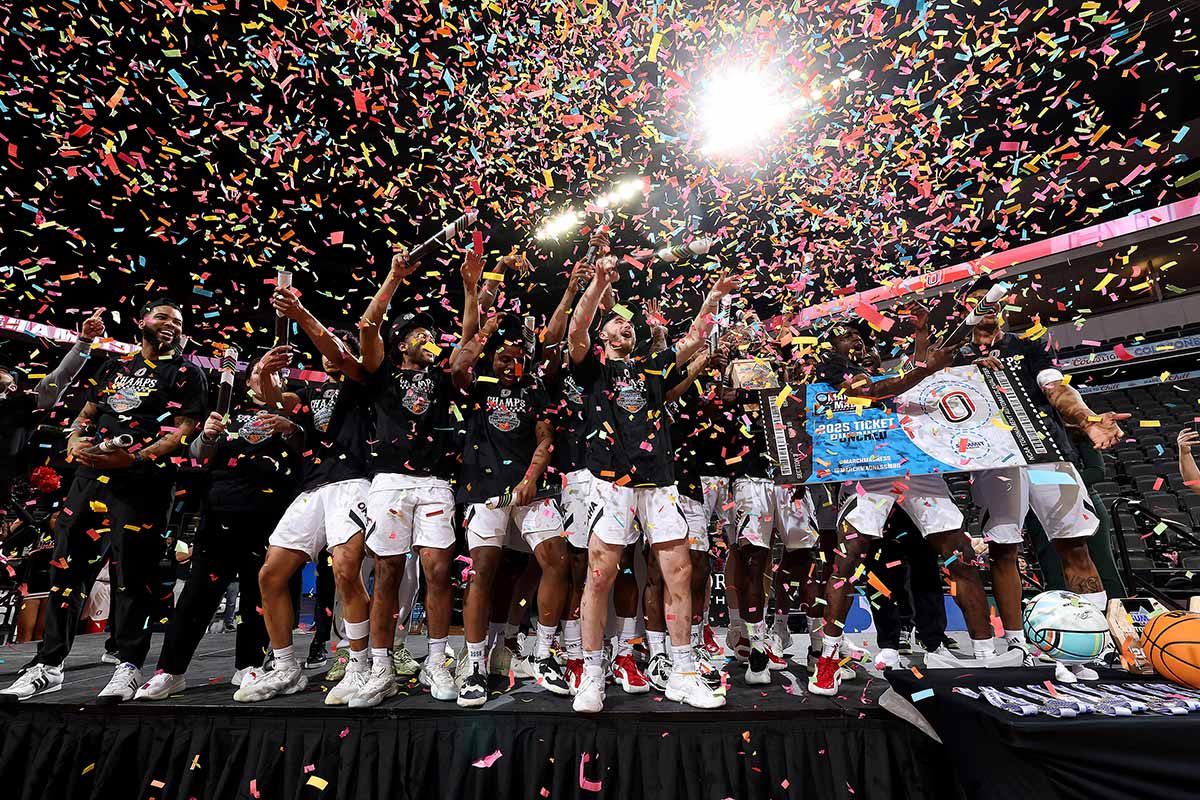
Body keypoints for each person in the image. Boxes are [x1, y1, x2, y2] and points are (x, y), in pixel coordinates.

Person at [2, 298, 208, 703]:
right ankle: (47, 664)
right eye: (163, 316)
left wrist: (134, 457)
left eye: (178, 321)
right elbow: (88, 413)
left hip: (142, 485)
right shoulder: (114, 367)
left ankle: (127, 664)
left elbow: (184, 431)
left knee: (132, 574)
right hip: (88, 480)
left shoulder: (188, 373)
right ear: (143, 321)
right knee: (66, 571)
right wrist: (77, 440)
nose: (171, 324)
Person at [807, 320, 1020, 697]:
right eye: (848, 335)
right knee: (848, 561)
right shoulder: (830, 366)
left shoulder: (889, 371)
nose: (858, 339)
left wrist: (937, 351)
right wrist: (928, 365)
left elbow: (914, 375)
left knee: (960, 555)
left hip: (912, 464)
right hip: (865, 468)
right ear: (831, 346)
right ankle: (827, 659)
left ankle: (986, 653)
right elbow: (871, 391)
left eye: (861, 335)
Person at [567, 246, 738, 713]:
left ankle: (682, 672)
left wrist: (712, 301)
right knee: (599, 575)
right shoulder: (592, 367)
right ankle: (592, 675)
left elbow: (690, 344)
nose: (624, 326)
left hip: (660, 483)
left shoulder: (651, 368)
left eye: (629, 322)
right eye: (616, 322)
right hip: (610, 482)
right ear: (604, 333)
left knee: (679, 573)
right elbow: (577, 328)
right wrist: (599, 284)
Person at [955, 283, 1128, 681]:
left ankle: (1090, 645)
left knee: (1075, 546)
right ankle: (1016, 645)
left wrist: (1086, 419)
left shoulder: (1028, 347)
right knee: (1003, 549)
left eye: (997, 299)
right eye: (981, 300)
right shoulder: (957, 357)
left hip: (1046, 453)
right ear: (968, 307)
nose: (991, 306)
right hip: (993, 457)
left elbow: (1057, 389)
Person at [136, 347, 304, 699]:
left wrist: (289, 428)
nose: (267, 377)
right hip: (220, 513)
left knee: (257, 596)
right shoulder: (228, 411)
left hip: (270, 515)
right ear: (248, 377)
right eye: (260, 370)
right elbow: (199, 454)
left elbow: (303, 450)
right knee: (198, 595)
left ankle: (249, 666)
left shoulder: (290, 410)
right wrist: (208, 435)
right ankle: (171, 671)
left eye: (274, 373)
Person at [233, 288, 374, 704]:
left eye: (337, 347)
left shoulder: (365, 380)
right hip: (312, 487)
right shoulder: (309, 396)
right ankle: (286, 668)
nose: (329, 355)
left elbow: (338, 350)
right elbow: (275, 398)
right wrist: (262, 370)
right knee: (270, 575)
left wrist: (300, 312)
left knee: (347, 571)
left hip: (354, 482)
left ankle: (360, 665)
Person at [350, 250, 464, 708]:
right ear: (401, 343)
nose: (428, 337)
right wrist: (394, 278)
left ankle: (437, 658)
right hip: (390, 481)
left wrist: (475, 289)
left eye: (431, 333)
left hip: (435, 481)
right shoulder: (382, 373)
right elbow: (366, 327)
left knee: (438, 571)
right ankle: (382, 668)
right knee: (387, 573)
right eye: (420, 333)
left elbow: (470, 343)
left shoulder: (442, 377)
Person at [450, 301, 571, 706]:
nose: (509, 363)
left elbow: (544, 436)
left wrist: (531, 478)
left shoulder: (534, 388)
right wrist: (485, 327)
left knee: (556, 559)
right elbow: (456, 367)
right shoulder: (477, 384)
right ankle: (475, 667)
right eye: (503, 356)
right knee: (482, 570)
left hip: (528, 489)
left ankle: (543, 654)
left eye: (517, 357)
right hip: (483, 491)